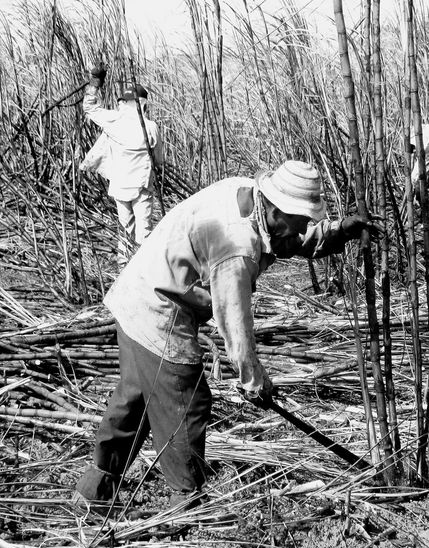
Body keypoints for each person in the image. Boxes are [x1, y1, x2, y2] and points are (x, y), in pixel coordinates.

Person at [75, 160, 379, 514]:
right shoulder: (236, 245)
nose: (302, 229)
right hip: (157, 305)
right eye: (299, 222)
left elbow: (288, 239)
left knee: (137, 398)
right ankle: (186, 502)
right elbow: (234, 324)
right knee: (186, 401)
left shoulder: (250, 196)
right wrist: (254, 380)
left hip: (136, 291)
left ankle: (94, 489)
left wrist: (339, 231)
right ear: (275, 208)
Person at [80, 66, 163, 266]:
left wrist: (94, 84)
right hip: (142, 185)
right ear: (142, 104)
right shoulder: (150, 127)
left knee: (125, 225)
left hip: (120, 184)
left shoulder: (115, 120)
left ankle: (124, 262)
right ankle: (141, 266)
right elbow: (158, 159)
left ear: (124, 102)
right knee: (144, 227)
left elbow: (90, 109)